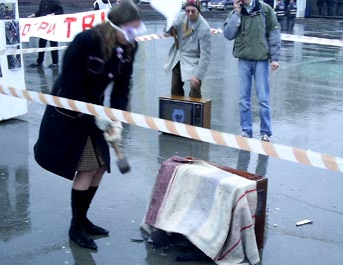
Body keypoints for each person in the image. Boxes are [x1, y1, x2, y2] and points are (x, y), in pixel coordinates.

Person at [33, 0, 146, 250]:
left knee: (100, 166)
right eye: (129, 30)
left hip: (96, 110)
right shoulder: (86, 42)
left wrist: (116, 118)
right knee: (87, 167)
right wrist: (95, 113)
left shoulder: (130, 47)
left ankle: (83, 219)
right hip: (70, 112)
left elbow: (122, 87)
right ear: (114, 27)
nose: (133, 36)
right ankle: (76, 227)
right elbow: (70, 84)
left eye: (137, 30)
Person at [223, 0, 281, 142]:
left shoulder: (265, 10)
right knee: (244, 99)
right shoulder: (236, 11)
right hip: (243, 59)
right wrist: (236, 14)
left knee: (263, 99)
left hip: (261, 59)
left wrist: (274, 58)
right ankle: (246, 130)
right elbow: (228, 34)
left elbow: (274, 33)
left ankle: (266, 131)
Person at [164, 0, 211, 98]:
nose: (189, 14)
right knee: (175, 89)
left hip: (194, 60)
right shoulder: (181, 17)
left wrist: (198, 75)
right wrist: (169, 25)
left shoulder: (204, 27)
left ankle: (196, 112)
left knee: (195, 90)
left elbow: (205, 56)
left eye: (193, 11)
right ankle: (176, 111)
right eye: (187, 10)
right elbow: (168, 32)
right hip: (179, 57)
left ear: (198, 11)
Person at [28, 0, 64, 69]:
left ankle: (55, 62)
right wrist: (34, 15)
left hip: (52, 26)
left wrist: (53, 14)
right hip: (44, 27)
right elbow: (41, 12)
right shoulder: (43, 1)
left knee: (53, 44)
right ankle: (39, 61)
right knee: (41, 43)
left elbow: (60, 11)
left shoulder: (55, 1)